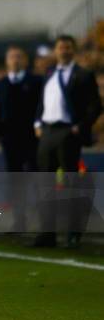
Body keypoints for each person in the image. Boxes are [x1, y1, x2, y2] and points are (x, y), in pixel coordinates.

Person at [32, 35, 102, 247]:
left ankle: (73, 233)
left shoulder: (84, 74)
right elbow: (43, 101)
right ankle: (48, 233)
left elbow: (96, 105)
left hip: (67, 132)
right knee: (45, 183)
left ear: (74, 50)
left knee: (71, 184)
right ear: (56, 51)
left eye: (68, 47)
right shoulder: (50, 73)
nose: (64, 51)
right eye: (61, 47)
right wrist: (37, 122)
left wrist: (80, 126)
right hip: (47, 132)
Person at [0, 45, 42, 231]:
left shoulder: (37, 81)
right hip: (10, 141)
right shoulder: (1, 83)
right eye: (12, 56)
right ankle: (19, 220)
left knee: (37, 178)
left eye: (19, 56)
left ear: (26, 61)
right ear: (7, 61)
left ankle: (42, 219)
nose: (15, 60)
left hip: (32, 139)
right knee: (15, 180)